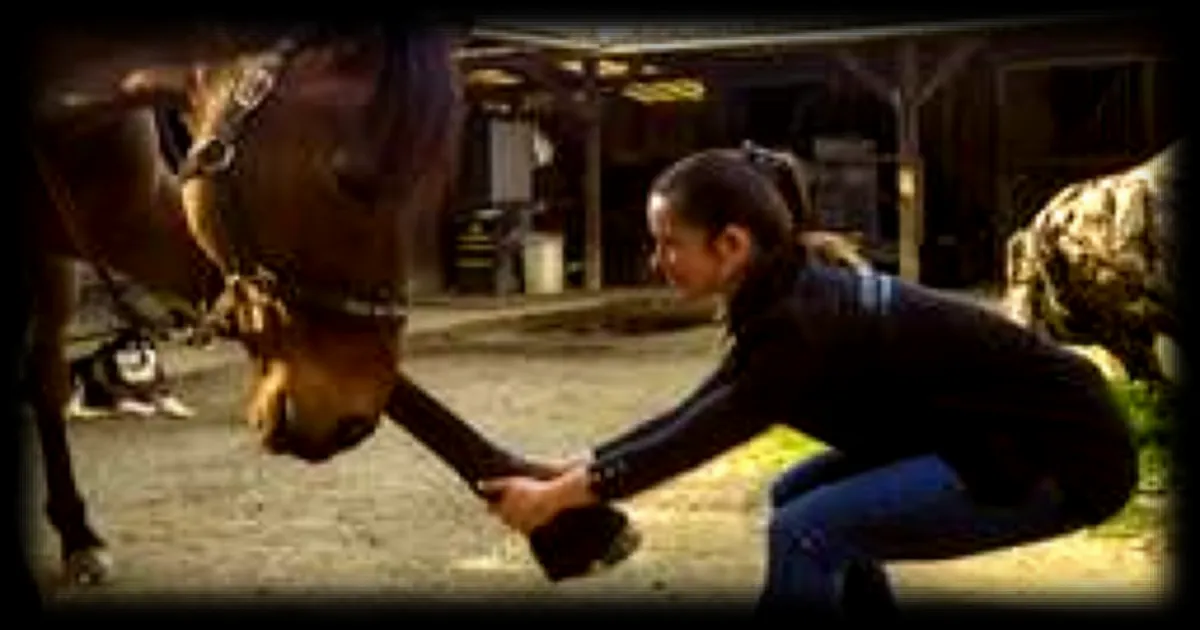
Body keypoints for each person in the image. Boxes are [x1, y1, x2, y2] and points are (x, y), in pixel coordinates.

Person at [477, 145, 1138, 615]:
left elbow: (697, 439)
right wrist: (578, 471)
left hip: (1061, 457)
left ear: (731, 244)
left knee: (806, 531)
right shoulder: (782, 293)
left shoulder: (801, 323)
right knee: (796, 493)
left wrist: (558, 499)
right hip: (986, 436)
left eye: (669, 243)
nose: (657, 261)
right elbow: (696, 409)